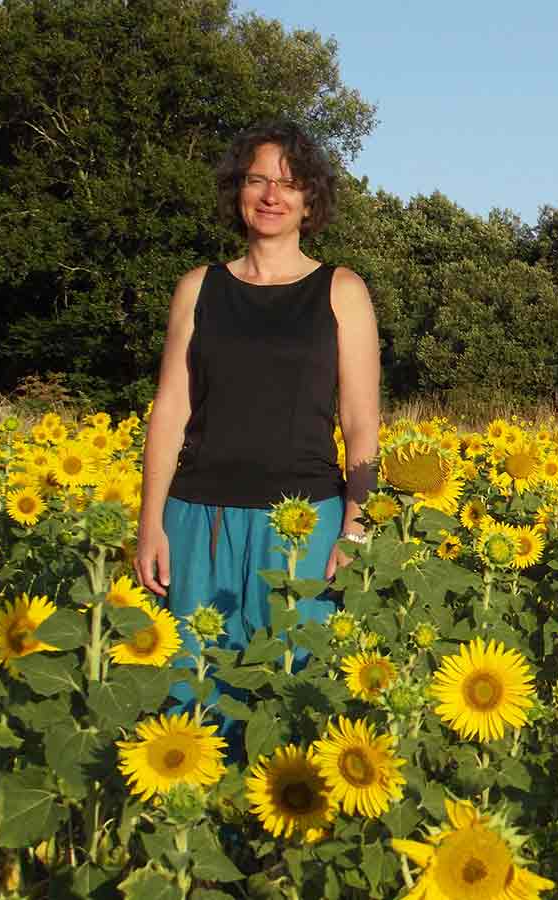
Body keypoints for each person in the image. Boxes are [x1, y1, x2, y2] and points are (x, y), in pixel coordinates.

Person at [135, 121, 380, 707]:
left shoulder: (341, 290)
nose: (272, 195)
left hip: (304, 524)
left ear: (309, 201)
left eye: (289, 184)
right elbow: (170, 409)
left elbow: (362, 422)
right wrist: (150, 522)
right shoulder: (199, 288)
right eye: (257, 180)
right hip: (198, 518)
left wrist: (357, 525)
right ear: (237, 192)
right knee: (192, 691)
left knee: (293, 691)